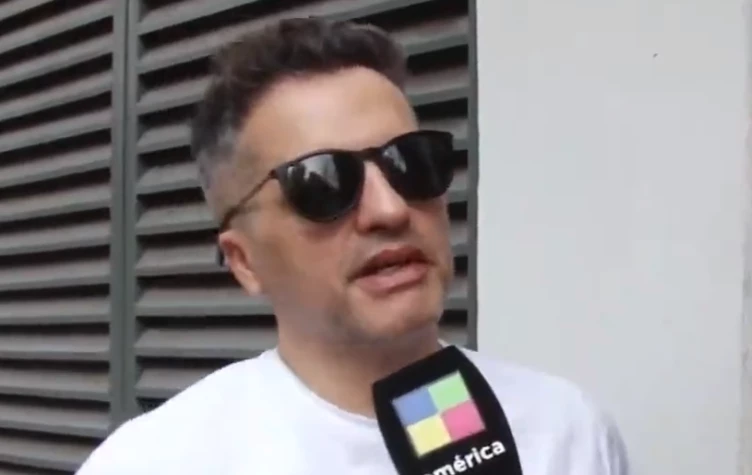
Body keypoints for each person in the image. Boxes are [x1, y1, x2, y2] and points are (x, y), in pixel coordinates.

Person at [76, 17, 629, 475]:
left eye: (411, 162)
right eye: (323, 183)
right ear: (243, 261)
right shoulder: (155, 462)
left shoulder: (567, 433)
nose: (390, 210)